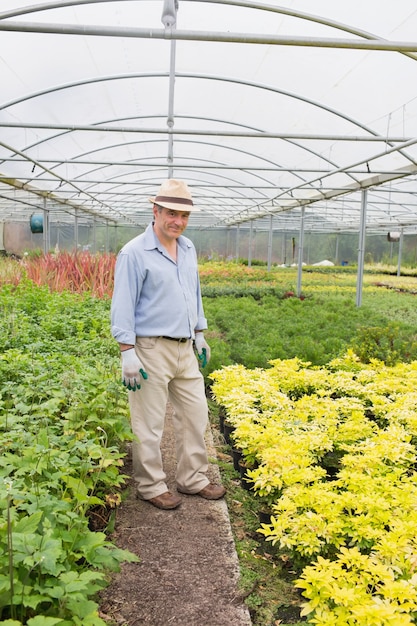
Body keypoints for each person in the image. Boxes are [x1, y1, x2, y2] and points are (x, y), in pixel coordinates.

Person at [111, 179, 226, 510]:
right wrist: (127, 352)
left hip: (184, 348)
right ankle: (150, 485)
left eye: (184, 216)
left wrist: (200, 331)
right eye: (172, 214)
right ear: (156, 211)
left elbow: (194, 292)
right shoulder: (134, 253)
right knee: (149, 422)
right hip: (150, 349)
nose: (178, 221)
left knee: (195, 414)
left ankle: (193, 479)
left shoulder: (187, 248)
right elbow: (123, 303)